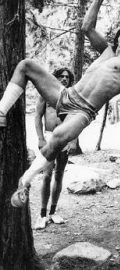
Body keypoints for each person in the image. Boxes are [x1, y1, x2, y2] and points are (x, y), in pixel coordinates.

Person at [0, 0, 120, 208]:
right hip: (67, 94)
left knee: (57, 138)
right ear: (116, 39)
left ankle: (25, 181)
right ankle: (1, 112)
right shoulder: (107, 51)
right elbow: (86, 27)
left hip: (83, 111)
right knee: (26, 66)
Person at [34, 67, 74, 230]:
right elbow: (37, 116)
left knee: (59, 175)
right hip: (50, 136)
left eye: (67, 77)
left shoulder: (71, 96)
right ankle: (42, 214)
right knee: (47, 175)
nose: (64, 79)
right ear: (55, 78)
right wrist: (41, 138)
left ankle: (53, 212)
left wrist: (73, 140)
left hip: (65, 137)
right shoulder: (45, 93)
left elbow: (75, 118)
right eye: (61, 76)